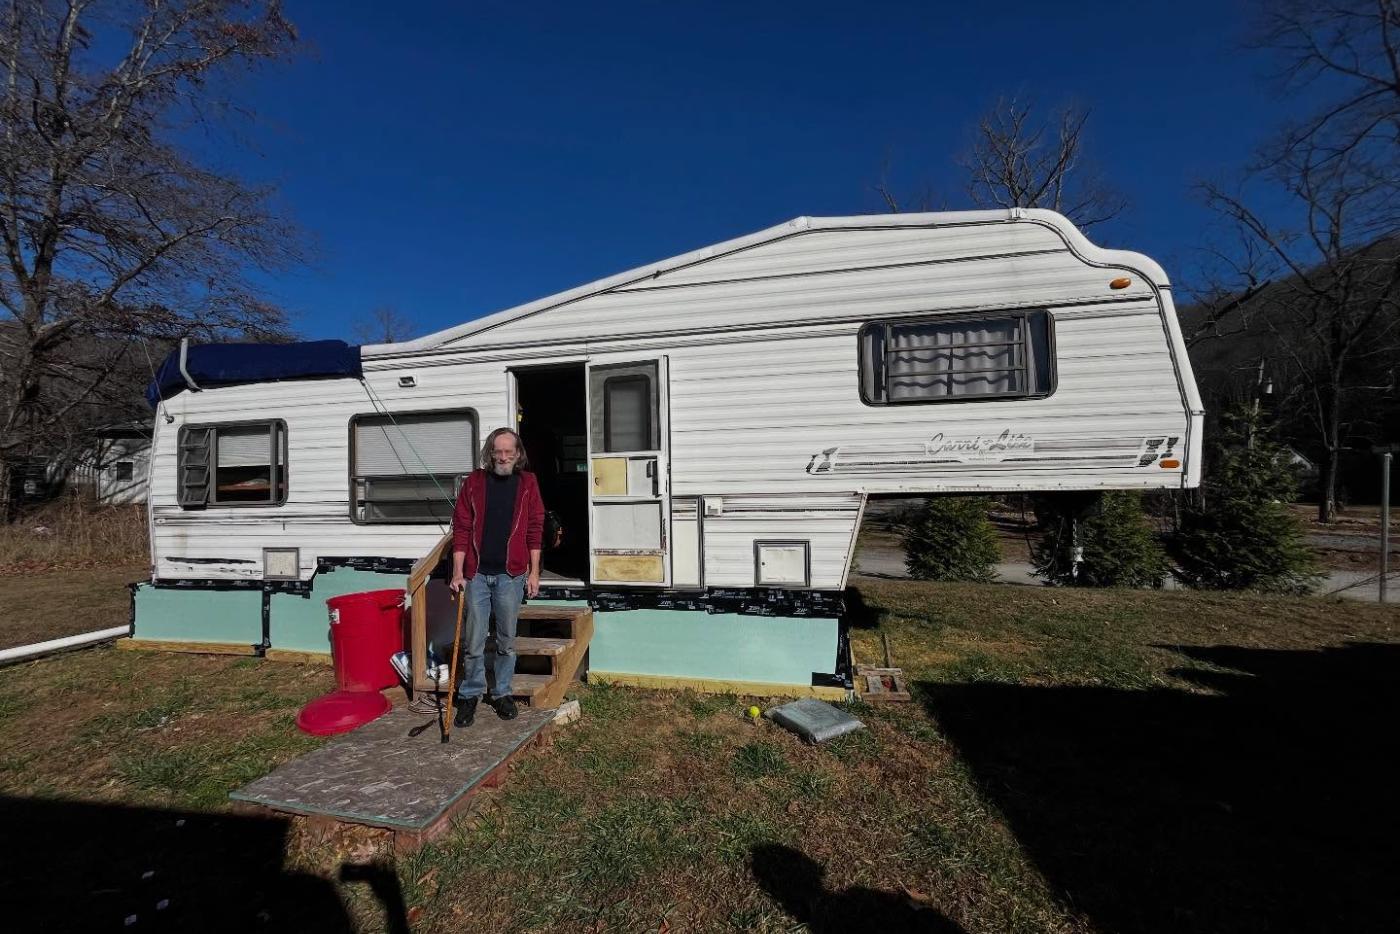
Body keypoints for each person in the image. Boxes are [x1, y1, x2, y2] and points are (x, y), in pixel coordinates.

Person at [448, 427, 544, 726]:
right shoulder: (474, 482)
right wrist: (457, 572)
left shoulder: (528, 482)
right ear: (490, 452)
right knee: (474, 642)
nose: (503, 456)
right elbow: (461, 528)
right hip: (476, 574)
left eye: (509, 451)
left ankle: (502, 692)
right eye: (497, 451)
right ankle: (470, 695)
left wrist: (534, 572)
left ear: (518, 454)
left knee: (506, 641)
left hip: (511, 575)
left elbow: (535, 527)